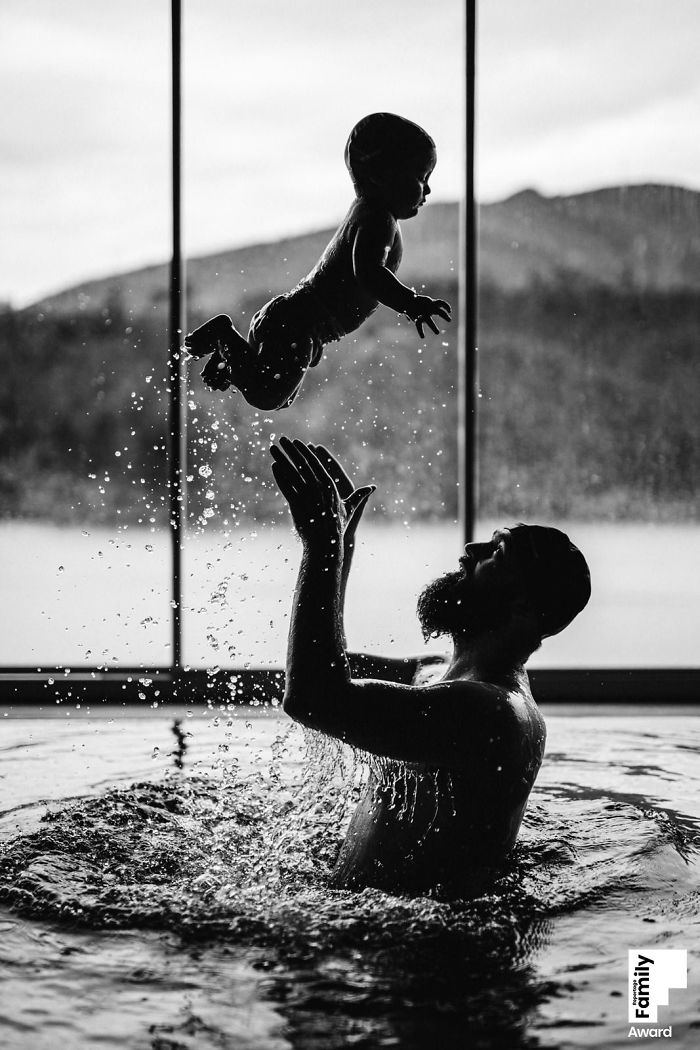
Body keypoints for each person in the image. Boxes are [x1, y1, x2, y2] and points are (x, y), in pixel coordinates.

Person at [270, 436, 591, 896]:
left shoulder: (493, 714)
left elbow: (312, 698)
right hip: (372, 927)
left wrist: (322, 546)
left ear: (522, 609)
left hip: (427, 953)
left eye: (495, 553)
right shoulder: (440, 672)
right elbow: (323, 671)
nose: (470, 549)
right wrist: (342, 546)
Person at [184, 113, 451, 410]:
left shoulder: (370, 212)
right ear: (383, 175)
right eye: (420, 178)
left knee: (279, 397)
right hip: (297, 325)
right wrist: (411, 304)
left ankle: (230, 357)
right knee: (267, 395)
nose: (427, 190)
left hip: (296, 321)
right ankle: (223, 335)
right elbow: (368, 273)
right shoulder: (377, 218)